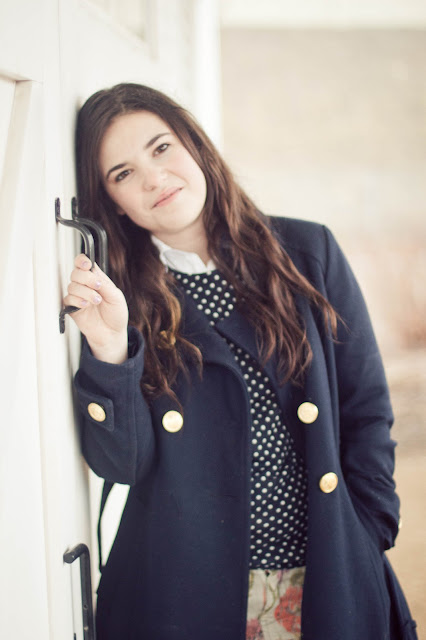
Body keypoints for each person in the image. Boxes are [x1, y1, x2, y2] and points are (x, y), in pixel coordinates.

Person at [66, 83, 417, 640]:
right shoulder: (122, 297)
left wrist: (369, 529)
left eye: (161, 148)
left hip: (327, 573)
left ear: (195, 145)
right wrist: (110, 350)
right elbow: (122, 466)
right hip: (189, 593)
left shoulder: (306, 252)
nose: (153, 178)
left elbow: (366, 405)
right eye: (123, 173)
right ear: (112, 202)